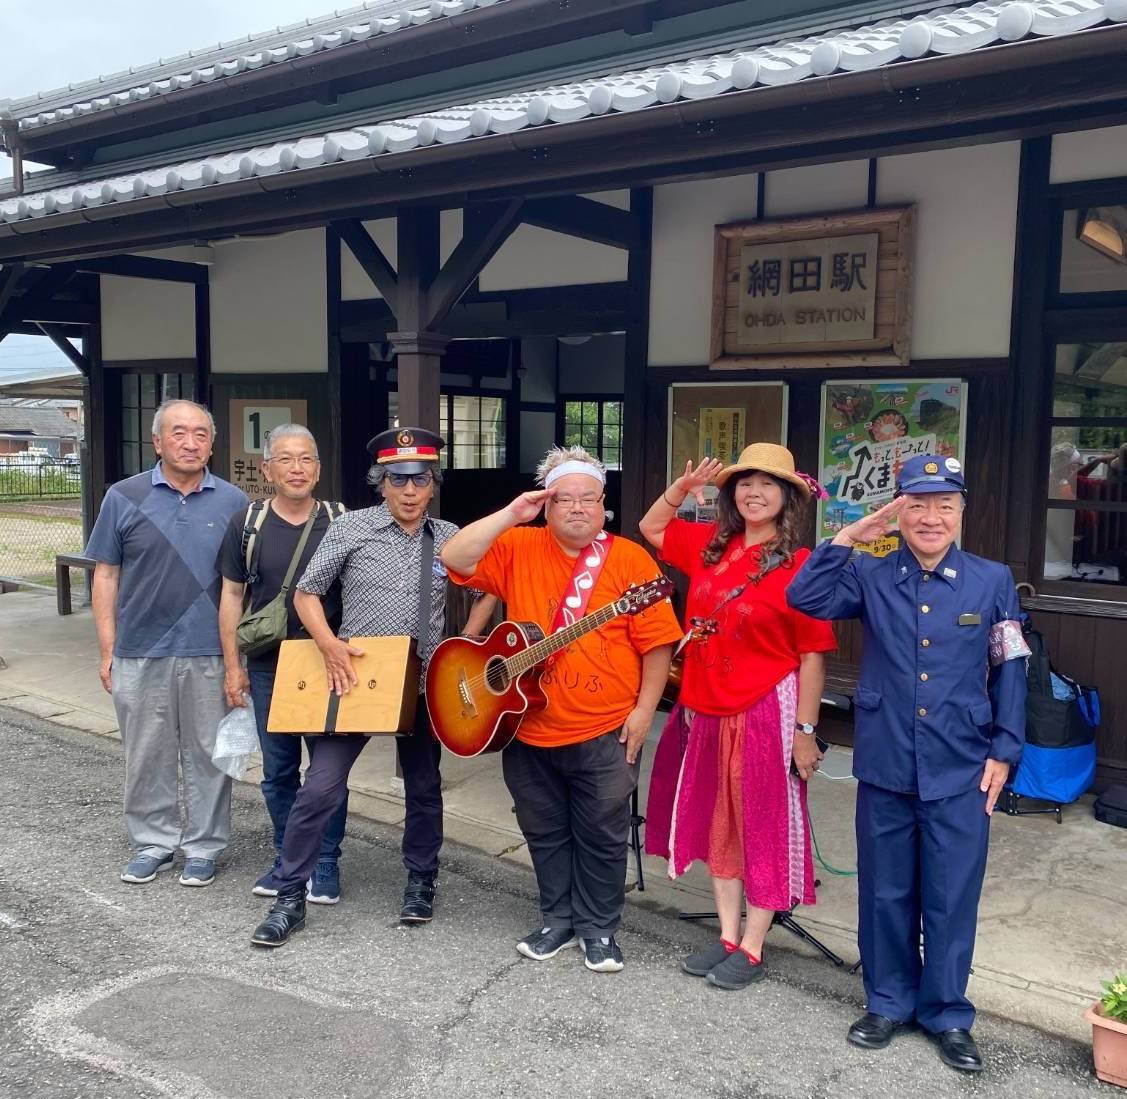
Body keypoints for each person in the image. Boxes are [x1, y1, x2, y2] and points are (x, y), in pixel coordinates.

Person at [786, 454, 1028, 1074]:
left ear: (961, 513)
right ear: (899, 511)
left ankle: (946, 1012)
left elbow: (1010, 667)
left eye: (944, 505)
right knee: (887, 890)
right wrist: (847, 537)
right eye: (917, 504)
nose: (931, 517)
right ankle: (888, 1001)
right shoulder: (871, 574)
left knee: (951, 896)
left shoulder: (991, 579)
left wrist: (1006, 748)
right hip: (887, 757)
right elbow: (804, 596)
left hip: (962, 763)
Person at [249, 427, 495, 947]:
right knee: (320, 785)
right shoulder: (351, 529)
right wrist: (330, 645)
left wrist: (466, 642)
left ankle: (421, 881)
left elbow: (491, 585)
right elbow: (307, 595)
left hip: (426, 679)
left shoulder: (449, 537)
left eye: (420, 479)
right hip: (357, 676)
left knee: (424, 787)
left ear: (433, 484)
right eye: (397, 478)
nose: (409, 490)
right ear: (380, 483)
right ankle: (290, 894)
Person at [440, 445, 682, 974]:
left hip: (605, 727)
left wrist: (644, 712)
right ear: (546, 506)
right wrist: (510, 513)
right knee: (544, 829)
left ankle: (599, 929)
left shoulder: (630, 559)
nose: (577, 509)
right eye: (564, 499)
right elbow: (455, 558)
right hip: (523, 723)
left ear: (603, 506)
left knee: (602, 831)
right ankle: (557, 918)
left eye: (588, 500)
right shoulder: (519, 546)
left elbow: (658, 644)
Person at [640, 443, 836, 990]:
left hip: (766, 709)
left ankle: (754, 944)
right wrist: (682, 489)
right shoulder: (710, 546)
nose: (754, 493)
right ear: (731, 494)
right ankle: (728, 934)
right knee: (718, 820)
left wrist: (805, 732)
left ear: (787, 498)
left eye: (767, 485)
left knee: (763, 825)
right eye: (744, 483)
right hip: (704, 706)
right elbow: (652, 526)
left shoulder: (800, 565)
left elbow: (813, 655)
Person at [86, 398, 248, 888]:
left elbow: (243, 586)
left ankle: (204, 845)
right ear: (157, 441)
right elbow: (106, 575)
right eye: (178, 432)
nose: (190, 441)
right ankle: (153, 841)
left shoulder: (234, 501)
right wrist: (108, 649)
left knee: (208, 753)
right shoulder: (123, 495)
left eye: (201, 433)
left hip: (210, 650)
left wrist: (235, 659)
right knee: (146, 751)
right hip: (140, 648)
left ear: (213, 444)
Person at [217, 424, 349, 905]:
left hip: (326, 663)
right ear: (266, 468)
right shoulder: (247, 523)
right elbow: (232, 595)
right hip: (269, 664)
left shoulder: (340, 520)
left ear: (318, 467)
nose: (297, 468)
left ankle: (327, 861)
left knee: (326, 772)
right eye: (286, 459)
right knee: (277, 770)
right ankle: (287, 855)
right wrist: (233, 667)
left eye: (306, 459)